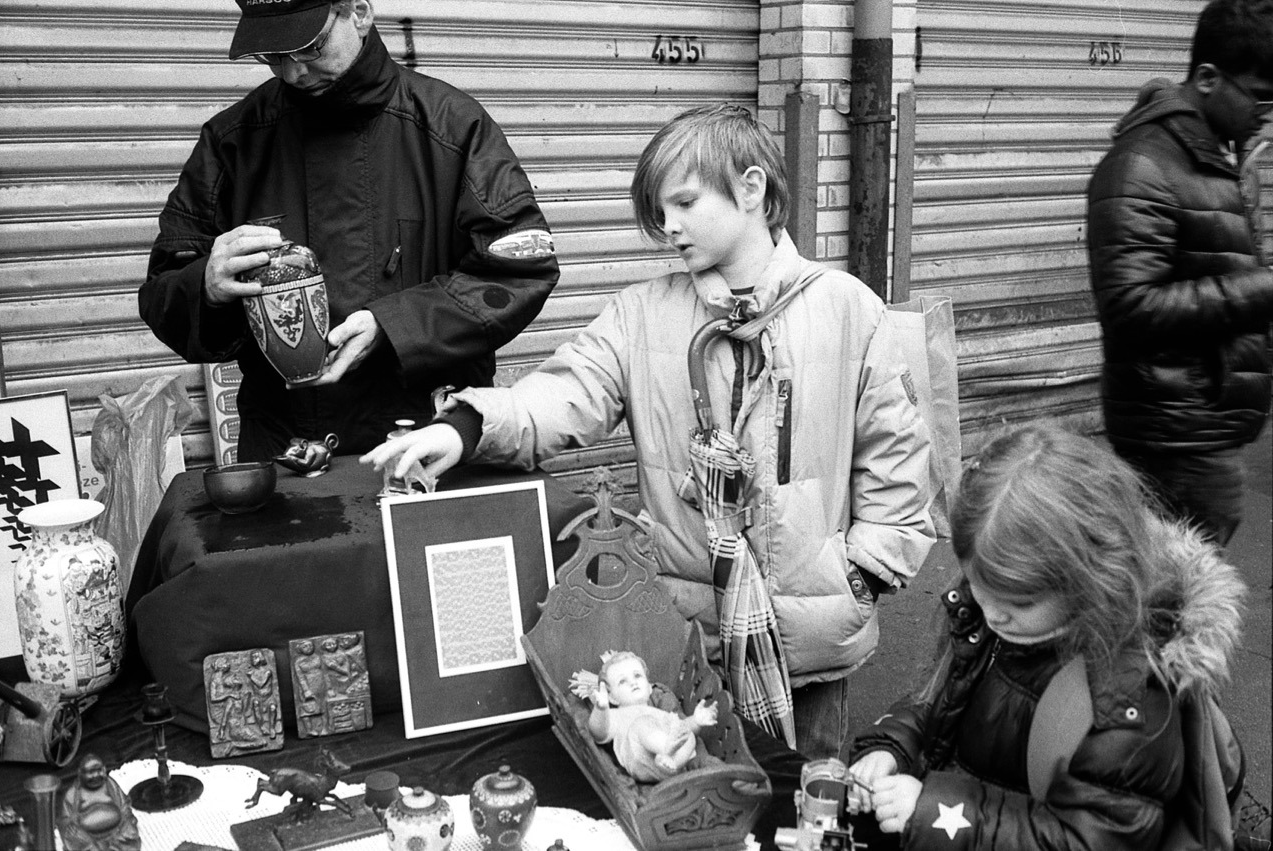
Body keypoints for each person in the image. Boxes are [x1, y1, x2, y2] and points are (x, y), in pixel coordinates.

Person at [363, 104, 935, 759]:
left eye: (685, 203)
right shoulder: (641, 315)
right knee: (690, 784)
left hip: (813, 639)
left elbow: (897, 455)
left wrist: (863, 572)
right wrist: (466, 427)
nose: (669, 226)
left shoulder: (848, 309)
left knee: (810, 791)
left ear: (751, 188)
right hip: (687, 638)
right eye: (660, 211)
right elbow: (564, 394)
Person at [139, 0, 560, 461]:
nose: (293, 72)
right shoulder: (233, 142)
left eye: (310, 47)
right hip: (287, 459)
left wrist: (392, 326)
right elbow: (162, 293)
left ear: (358, 13)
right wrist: (205, 286)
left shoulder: (453, 128)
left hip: (430, 444)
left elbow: (517, 272)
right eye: (273, 55)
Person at [847, 423, 1247, 849]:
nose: (993, 613)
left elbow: (1089, 840)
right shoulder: (998, 614)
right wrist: (894, 745)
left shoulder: (1128, 700)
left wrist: (939, 812)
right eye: (977, 585)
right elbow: (944, 701)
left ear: (1088, 578)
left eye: (1019, 602)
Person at [1086, 0, 1273, 546]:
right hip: (1173, 433)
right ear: (1208, 78)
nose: (1265, 115)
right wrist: (1264, 289)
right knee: (1172, 580)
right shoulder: (1142, 164)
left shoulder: (1209, 156)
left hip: (1200, 420)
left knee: (1170, 576)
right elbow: (1130, 306)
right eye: (1260, 97)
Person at [581, 651, 718, 783]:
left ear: (649, 687)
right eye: (622, 681)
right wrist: (601, 708)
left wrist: (696, 721)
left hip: (671, 765)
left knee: (688, 734)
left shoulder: (659, 713)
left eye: (637, 676)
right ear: (612, 698)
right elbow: (598, 733)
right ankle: (666, 748)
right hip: (642, 760)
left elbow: (681, 728)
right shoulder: (617, 715)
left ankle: (673, 762)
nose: (633, 683)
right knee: (642, 724)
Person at [57, 754, 140, 851]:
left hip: (117, 834)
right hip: (86, 837)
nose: (95, 775)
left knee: (132, 842)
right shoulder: (73, 793)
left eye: (99, 771)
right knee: (73, 840)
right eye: (91, 772)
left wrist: (127, 821)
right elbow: (64, 819)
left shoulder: (110, 784)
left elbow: (125, 806)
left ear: (104, 770)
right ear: (81, 773)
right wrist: (77, 832)